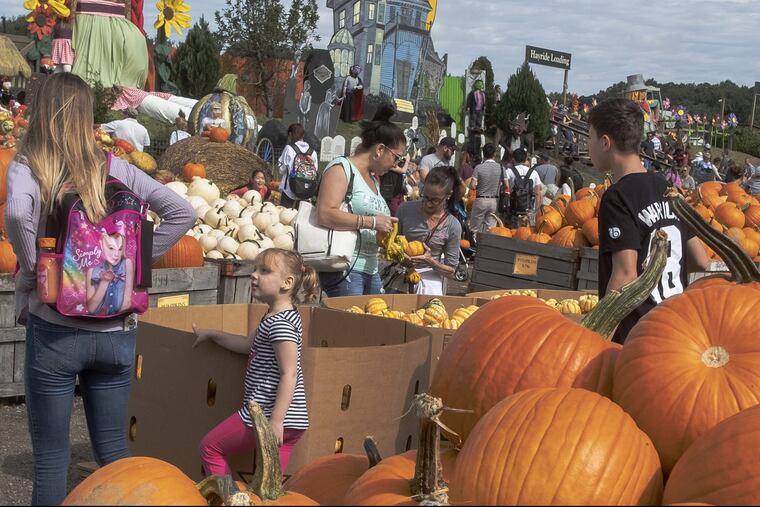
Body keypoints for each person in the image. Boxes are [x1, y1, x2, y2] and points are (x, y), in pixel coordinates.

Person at [5, 73, 195, 505]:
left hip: (56, 329)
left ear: (42, 112)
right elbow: (181, 212)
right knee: (113, 455)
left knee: (52, 460)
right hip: (117, 332)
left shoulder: (30, 164)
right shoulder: (115, 167)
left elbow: (17, 214)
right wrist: (137, 261)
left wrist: (38, 272)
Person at [587, 98, 709, 345]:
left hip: (638, 337)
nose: (587, 146)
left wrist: (591, 341)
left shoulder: (618, 197)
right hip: (677, 329)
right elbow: (701, 260)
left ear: (605, 142)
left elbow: (624, 274)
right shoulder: (668, 188)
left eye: (589, 138)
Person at [194, 249, 318, 477]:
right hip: (290, 419)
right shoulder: (278, 316)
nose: (254, 275)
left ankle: (230, 498)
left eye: (264, 271)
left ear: (287, 282)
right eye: (254, 269)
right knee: (269, 485)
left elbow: (289, 373)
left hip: (267, 415)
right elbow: (246, 345)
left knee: (210, 448)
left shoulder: (280, 324)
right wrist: (213, 334)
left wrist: (276, 420)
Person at [316, 105, 404, 296]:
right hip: (345, 267)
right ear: (380, 149)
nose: (397, 165)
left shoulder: (373, 179)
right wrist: (372, 222)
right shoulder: (341, 168)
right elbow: (324, 213)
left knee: (376, 323)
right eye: (397, 157)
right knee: (353, 324)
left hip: (370, 269)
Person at [396, 166, 463, 295]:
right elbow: (390, 244)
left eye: (435, 200)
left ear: (448, 196)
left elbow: (451, 271)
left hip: (429, 281)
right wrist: (400, 255)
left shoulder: (453, 225)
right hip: (400, 276)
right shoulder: (405, 210)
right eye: (425, 197)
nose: (428, 203)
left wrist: (431, 262)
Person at [86, 229, 134, 315]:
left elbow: (127, 302)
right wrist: (104, 281)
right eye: (111, 248)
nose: (116, 254)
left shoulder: (127, 263)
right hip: (94, 322)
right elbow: (91, 309)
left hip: (121, 319)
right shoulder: (93, 271)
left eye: (120, 249)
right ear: (101, 245)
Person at [468, 143, 506, 235]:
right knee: (491, 229)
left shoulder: (479, 167)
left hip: (481, 198)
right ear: (494, 154)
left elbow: (472, 186)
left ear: (483, 153)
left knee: (474, 227)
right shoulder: (501, 168)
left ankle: (474, 245)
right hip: (494, 200)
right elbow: (506, 184)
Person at [277, 124, 317, 209]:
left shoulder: (289, 148)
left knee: (285, 217)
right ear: (303, 135)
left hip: (289, 189)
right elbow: (315, 171)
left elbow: (281, 170)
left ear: (290, 134)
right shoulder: (313, 152)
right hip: (306, 190)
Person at [505, 148, 543, 227]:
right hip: (529, 208)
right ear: (526, 159)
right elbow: (537, 193)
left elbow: (504, 188)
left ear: (513, 159)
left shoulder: (509, 171)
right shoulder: (534, 173)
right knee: (525, 232)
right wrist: (537, 211)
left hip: (513, 208)